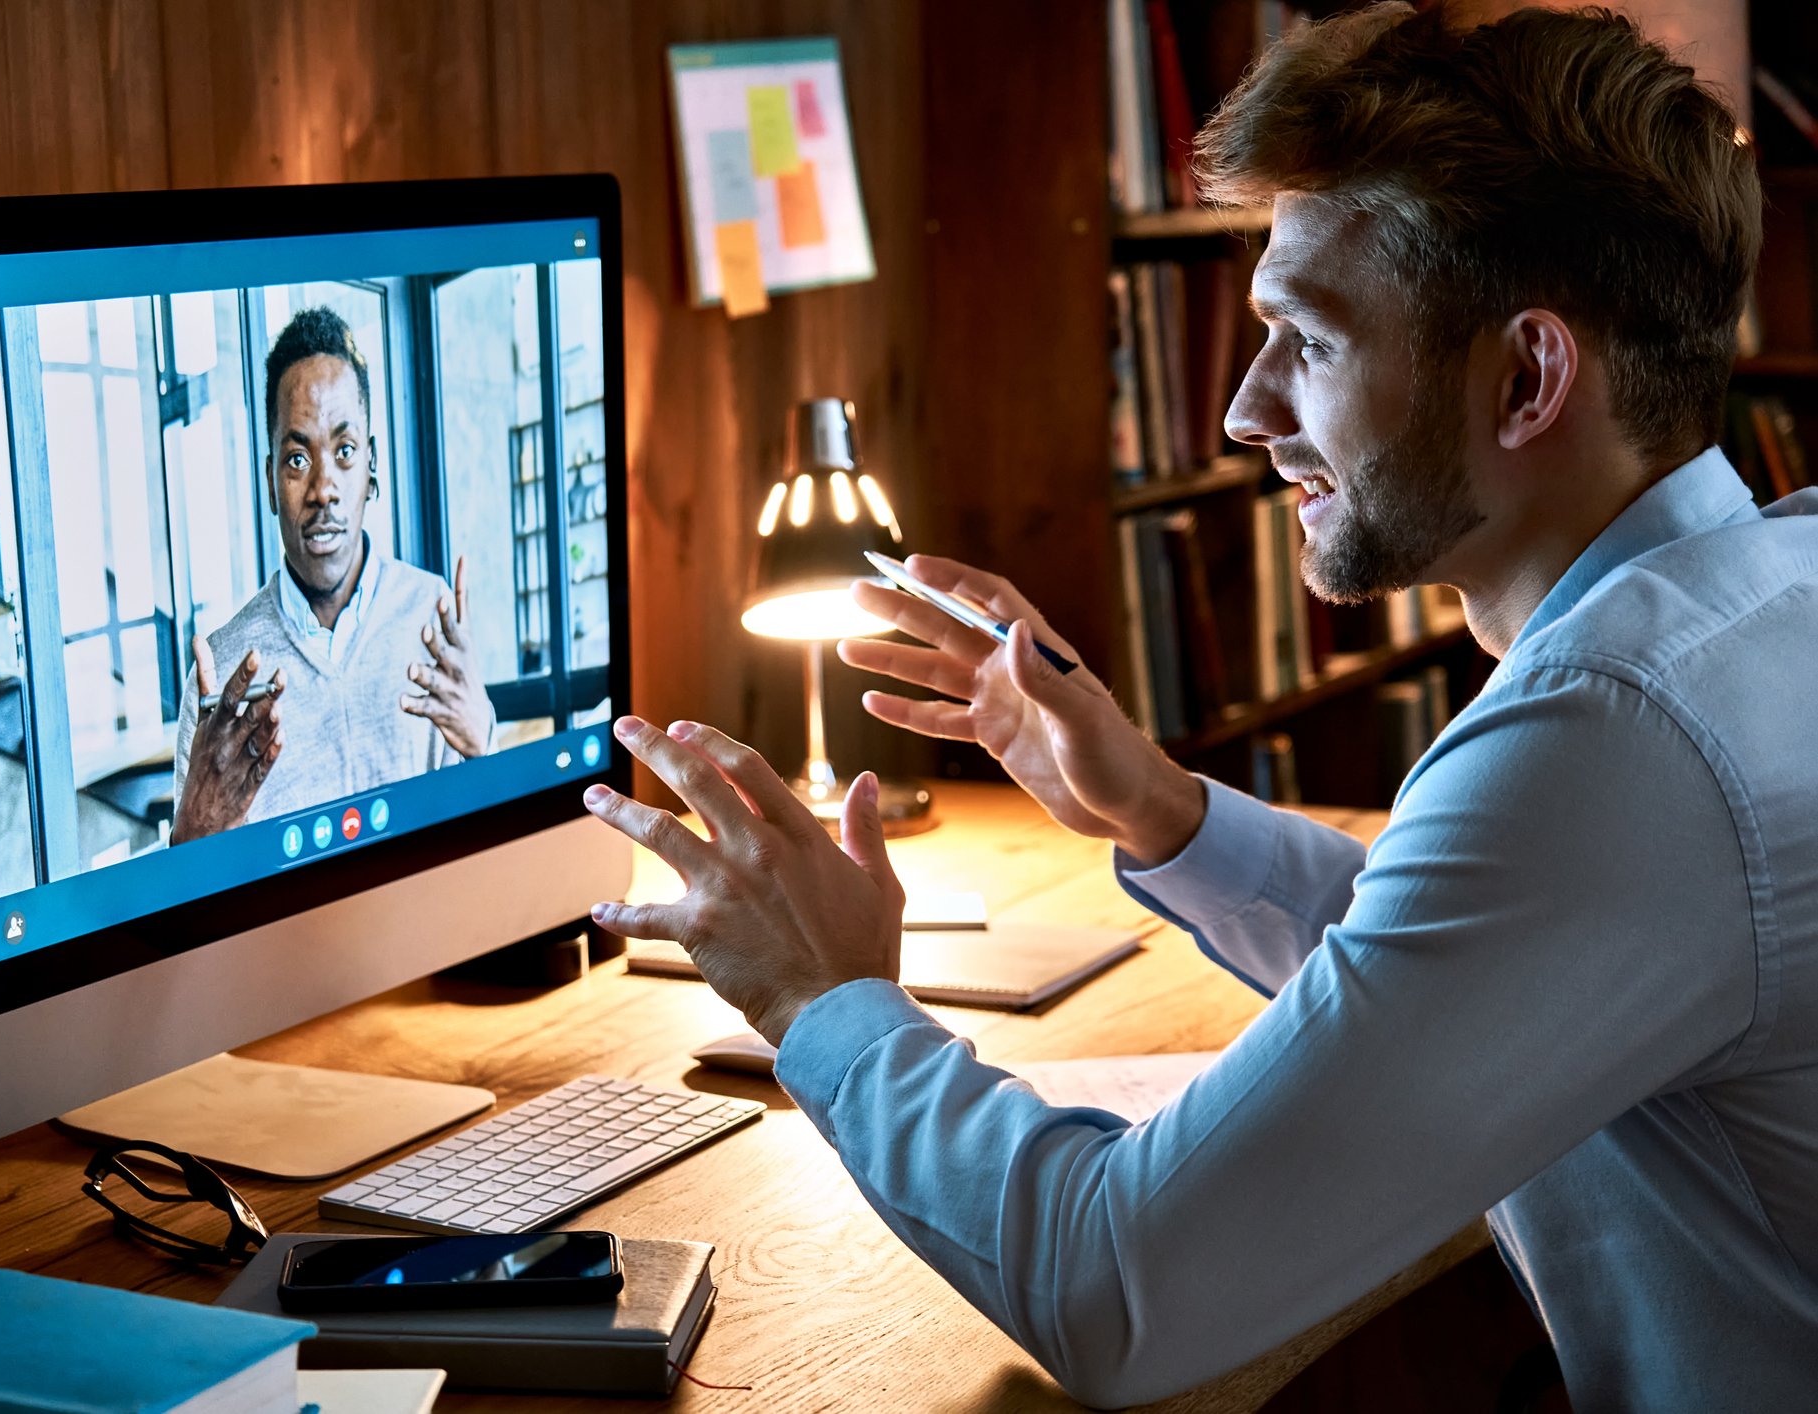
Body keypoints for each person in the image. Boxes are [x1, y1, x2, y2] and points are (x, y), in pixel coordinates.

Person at [578, 5, 1818, 1409]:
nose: (1243, 410)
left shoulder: (1613, 742)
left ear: (1527, 377)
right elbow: (1464, 970)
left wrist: (824, 997)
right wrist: (1160, 810)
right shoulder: (1770, 588)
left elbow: (1118, 1285)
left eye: (1307, 339)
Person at [172, 307, 495, 842]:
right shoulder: (222, 676)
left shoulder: (430, 616)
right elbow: (191, 881)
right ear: (270, 481)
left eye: (344, 451)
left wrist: (484, 744)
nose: (323, 489)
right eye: (297, 459)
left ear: (372, 465)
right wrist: (191, 836)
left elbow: (487, 840)